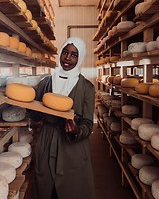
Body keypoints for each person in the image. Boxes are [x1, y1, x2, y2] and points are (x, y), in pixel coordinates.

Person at [28, 37, 96, 199]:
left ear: (80, 58)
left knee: (71, 190)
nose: (67, 58)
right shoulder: (46, 82)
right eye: (65, 52)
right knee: (46, 188)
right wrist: (27, 104)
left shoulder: (87, 88)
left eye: (73, 55)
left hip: (72, 148)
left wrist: (76, 130)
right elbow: (36, 115)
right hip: (47, 140)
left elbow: (88, 123)